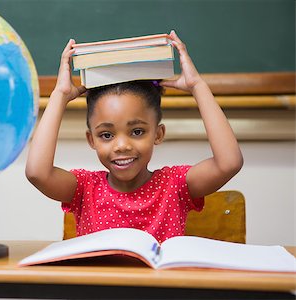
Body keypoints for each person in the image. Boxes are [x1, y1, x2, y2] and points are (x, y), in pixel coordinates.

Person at [25, 30, 243, 243]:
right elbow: (37, 173)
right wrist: (60, 95)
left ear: (158, 134)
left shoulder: (174, 186)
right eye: (106, 135)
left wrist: (198, 86)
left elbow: (229, 163)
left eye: (137, 132)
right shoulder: (84, 189)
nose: (122, 145)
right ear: (91, 140)